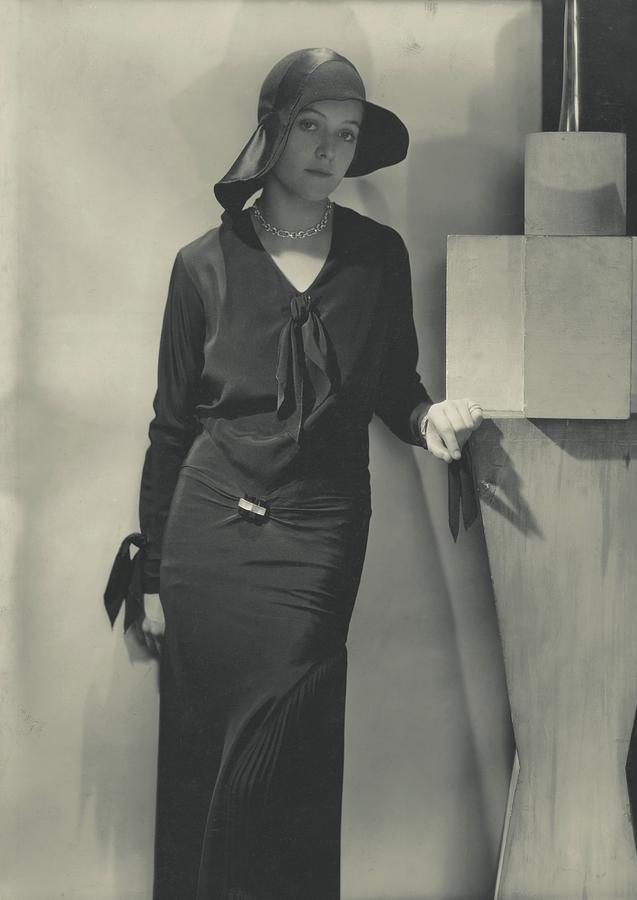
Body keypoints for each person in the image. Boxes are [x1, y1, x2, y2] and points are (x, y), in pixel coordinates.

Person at [105, 47, 483, 900]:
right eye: (310, 126)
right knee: (203, 763)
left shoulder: (376, 256)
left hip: (319, 529)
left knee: (287, 756)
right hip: (207, 540)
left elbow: (396, 387)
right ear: (272, 132)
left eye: (345, 135)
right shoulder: (200, 264)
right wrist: (155, 577)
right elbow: (171, 429)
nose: (327, 150)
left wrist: (433, 420)